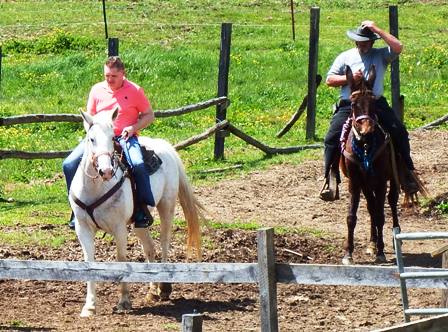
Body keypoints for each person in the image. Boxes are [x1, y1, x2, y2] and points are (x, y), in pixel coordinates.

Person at [320, 20, 418, 201]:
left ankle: (407, 173)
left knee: (399, 131)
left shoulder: (381, 55)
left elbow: (398, 47)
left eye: (367, 41)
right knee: (331, 138)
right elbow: (329, 80)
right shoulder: (345, 57)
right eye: (361, 41)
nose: (364, 44)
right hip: (350, 104)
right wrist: (346, 78)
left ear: (373, 41)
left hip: (375, 103)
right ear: (355, 42)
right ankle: (330, 177)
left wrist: (376, 29)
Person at [63, 56, 155, 229]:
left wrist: (133, 127)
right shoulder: (96, 90)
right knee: (68, 164)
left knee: (138, 164)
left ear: (123, 74)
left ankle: (142, 209)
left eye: (114, 76)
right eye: (107, 76)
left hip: (124, 137)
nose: (110, 80)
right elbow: (88, 116)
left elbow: (150, 115)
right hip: (99, 138)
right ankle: (76, 210)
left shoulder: (135, 90)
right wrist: (92, 130)